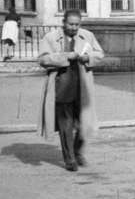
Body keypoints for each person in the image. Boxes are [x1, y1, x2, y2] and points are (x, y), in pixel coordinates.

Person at [37, 10, 104, 172]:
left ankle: (77, 151)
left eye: (77, 24)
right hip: (61, 88)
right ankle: (70, 159)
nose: (74, 28)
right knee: (65, 125)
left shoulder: (87, 35)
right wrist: (66, 56)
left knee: (84, 124)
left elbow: (100, 54)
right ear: (63, 22)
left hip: (82, 88)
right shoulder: (51, 38)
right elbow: (43, 59)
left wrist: (88, 58)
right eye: (71, 24)